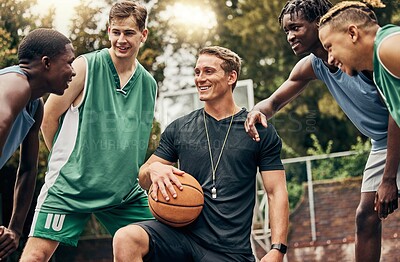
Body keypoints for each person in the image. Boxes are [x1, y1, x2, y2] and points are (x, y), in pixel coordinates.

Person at [244, 0, 400, 261]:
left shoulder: (369, 54)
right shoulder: (313, 65)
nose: (290, 36)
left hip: (394, 134)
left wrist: (388, 178)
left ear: (320, 24)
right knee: (366, 215)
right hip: (382, 142)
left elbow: (397, 113)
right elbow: (273, 101)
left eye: (296, 27)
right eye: (286, 31)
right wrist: (258, 112)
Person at [112, 46, 289, 262]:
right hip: (181, 239)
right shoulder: (180, 128)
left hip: (230, 251)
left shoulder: (257, 129)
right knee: (126, 238)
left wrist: (277, 248)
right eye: (197, 72)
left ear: (231, 76)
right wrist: (154, 169)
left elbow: (276, 191)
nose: (200, 78)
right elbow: (142, 176)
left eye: (208, 71)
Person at [20, 1, 157, 261]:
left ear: (143, 34)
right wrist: (71, 163)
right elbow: (48, 117)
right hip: (72, 186)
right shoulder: (85, 67)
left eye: (128, 33)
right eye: (115, 32)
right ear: (108, 31)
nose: (121, 39)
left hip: (122, 192)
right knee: (36, 256)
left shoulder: (148, 84)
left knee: (163, 247)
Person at [0, 28, 75, 260]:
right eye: (69, 62)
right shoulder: (15, 84)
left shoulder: (35, 105)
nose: (73, 72)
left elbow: (28, 170)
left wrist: (15, 229)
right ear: (46, 63)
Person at [318, 1, 400, 127]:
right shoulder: (380, 69)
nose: (330, 59)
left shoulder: (387, 46)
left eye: (329, 47)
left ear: (352, 34)